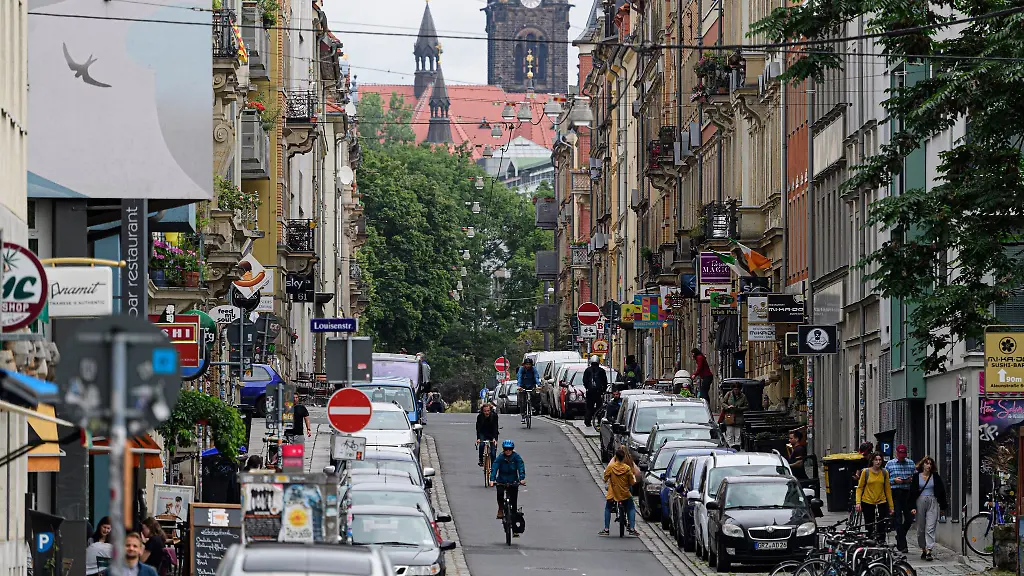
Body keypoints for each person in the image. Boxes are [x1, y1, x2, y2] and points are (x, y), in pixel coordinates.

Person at [910, 456, 948, 561]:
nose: (929, 466)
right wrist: (912, 506)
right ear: (922, 465)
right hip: (920, 501)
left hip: (933, 500)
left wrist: (943, 504)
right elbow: (912, 492)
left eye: (930, 464)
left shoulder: (935, 476)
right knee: (920, 528)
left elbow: (941, 490)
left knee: (931, 526)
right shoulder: (916, 476)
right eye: (927, 463)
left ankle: (929, 550)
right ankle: (923, 548)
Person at [885, 444, 917, 553]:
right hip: (895, 492)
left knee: (909, 518)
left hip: (907, 493)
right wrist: (894, 480)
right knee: (897, 519)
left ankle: (900, 536)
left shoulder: (911, 463)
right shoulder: (890, 464)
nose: (902, 457)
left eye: (904, 454)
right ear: (896, 453)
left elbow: (916, 478)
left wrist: (910, 480)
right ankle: (903, 545)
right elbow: (884, 481)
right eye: (900, 454)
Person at [855, 452, 893, 544]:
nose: (878, 462)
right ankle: (869, 543)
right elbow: (860, 488)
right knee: (869, 525)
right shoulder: (866, 472)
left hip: (881, 501)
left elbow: (888, 490)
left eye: (880, 460)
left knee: (881, 525)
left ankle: (881, 543)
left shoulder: (884, 473)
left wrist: (891, 507)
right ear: (872, 461)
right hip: (868, 501)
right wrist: (858, 502)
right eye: (876, 460)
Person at [601, 447, 639, 537]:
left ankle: (606, 529)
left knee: (608, 508)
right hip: (624, 492)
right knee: (631, 508)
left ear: (616, 457)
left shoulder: (611, 467)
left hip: (613, 492)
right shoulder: (627, 468)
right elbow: (632, 482)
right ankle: (632, 528)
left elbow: (605, 477)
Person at [489, 439, 526, 531]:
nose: (508, 451)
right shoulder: (500, 457)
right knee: (500, 494)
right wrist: (492, 479)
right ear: (503, 449)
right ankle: (501, 508)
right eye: (506, 449)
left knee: (514, 502)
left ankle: (514, 527)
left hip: (513, 481)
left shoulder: (516, 457)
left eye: (510, 449)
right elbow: (495, 467)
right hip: (501, 480)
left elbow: (521, 466)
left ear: (512, 449)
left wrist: (521, 478)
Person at [720, 381, 748, 449]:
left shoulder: (743, 396)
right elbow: (723, 403)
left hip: (738, 417)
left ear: (740, 389)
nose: (736, 391)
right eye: (734, 389)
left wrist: (739, 408)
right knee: (730, 433)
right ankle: (730, 446)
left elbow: (746, 406)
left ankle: (737, 446)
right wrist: (728, 407)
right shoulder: (729, 394)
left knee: (738, 434)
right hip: (729, 415)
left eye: (737, 389)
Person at [582, 356, 609, 427]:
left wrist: (587, 388)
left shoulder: (587, 370)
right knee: (599, 407)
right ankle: (599, 421)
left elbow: (584, 381)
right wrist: (603, 390)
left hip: (590, 392)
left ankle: (587, 421)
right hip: (598, 392)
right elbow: (604, 381)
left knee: (589, 407)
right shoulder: (601, 371)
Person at [516, 358, 540, 423]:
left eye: (529, 364)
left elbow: (536, 376)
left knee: (535, 395)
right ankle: (523, 415)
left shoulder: (533, 369)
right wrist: (519, 386)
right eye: (526, 364)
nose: (528, 366)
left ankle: (533, 406)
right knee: (522, 401)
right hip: (523, 386)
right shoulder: (521, 369)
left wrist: (538, 384)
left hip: (531, 385)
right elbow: (519, 377)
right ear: (524, 365)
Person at [476, 402, 499, 467]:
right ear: (482, 411)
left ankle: (493, 467)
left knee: (493, 452)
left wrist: (495, 438)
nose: (487, 413)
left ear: (490, 410)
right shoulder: (479, 417)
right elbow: (478, 428)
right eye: (485, 411)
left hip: (492, 433)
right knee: (481, 445)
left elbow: (495, 427)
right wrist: (478, 438)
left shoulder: (494, 416)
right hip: (483, 433)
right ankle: (481, 460)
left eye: (488, 411)